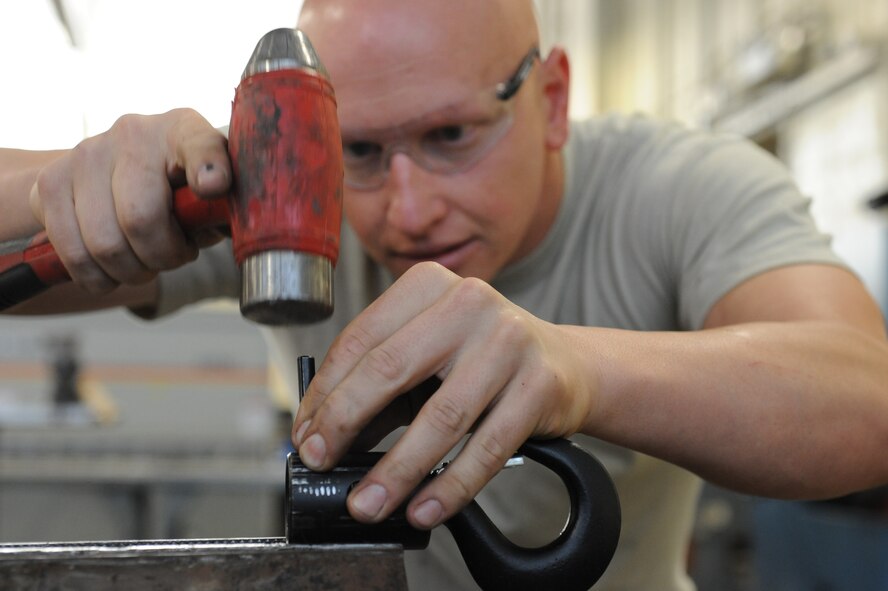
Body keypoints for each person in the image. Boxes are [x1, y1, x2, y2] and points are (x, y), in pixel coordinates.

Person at [2, 1, 888, 589]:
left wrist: (576, 365)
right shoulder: (293, 184)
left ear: (550, 99)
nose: (407, 208)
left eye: (452, 135)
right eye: (360, 150)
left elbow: (867, 400)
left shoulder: (682, 189)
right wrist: (67, 186)